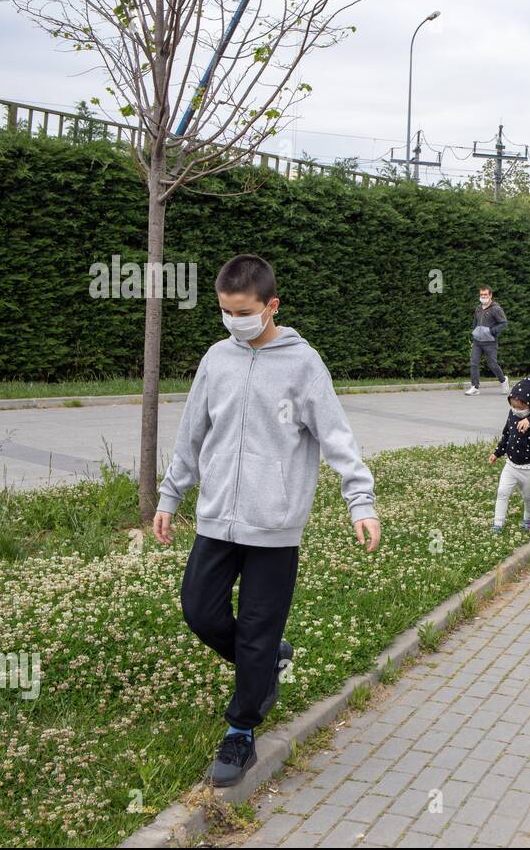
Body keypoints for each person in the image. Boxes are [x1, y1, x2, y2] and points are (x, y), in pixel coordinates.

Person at [152, 254, 382, 788]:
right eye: (225, 312)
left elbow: (337, 436)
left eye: (243, 312)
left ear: (271, 306)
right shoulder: (217, 359)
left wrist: (361, 501)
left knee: (257, 628)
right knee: (199, 611)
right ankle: (267, 662)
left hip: (274, 526)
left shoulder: (303, 364)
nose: (234, 321)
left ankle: (241, 730)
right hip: (216, 521)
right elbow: (192, 431)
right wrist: (171, 496)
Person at [488, 377, 530, 532]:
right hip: (511, 465)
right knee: (502, 492)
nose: (516, 410)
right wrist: (497, 452)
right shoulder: (512, 414)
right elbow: (507, 434)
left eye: (520, 407)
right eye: (513, 406)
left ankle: (528, 520)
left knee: (528, 496)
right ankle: (498, 523)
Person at [465, 285, 509, 396]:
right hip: (477, 342)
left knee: (492, 364)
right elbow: (475, 322)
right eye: (481, 294)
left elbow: (503, 324)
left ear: (490, 295)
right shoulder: (478, 308)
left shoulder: (496, 309)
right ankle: (475, 387)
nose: (483, 296)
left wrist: (491, 331)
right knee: (474, 363)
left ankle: (503, 380)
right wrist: (474, 332)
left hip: (490, 342)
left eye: (485, 294)